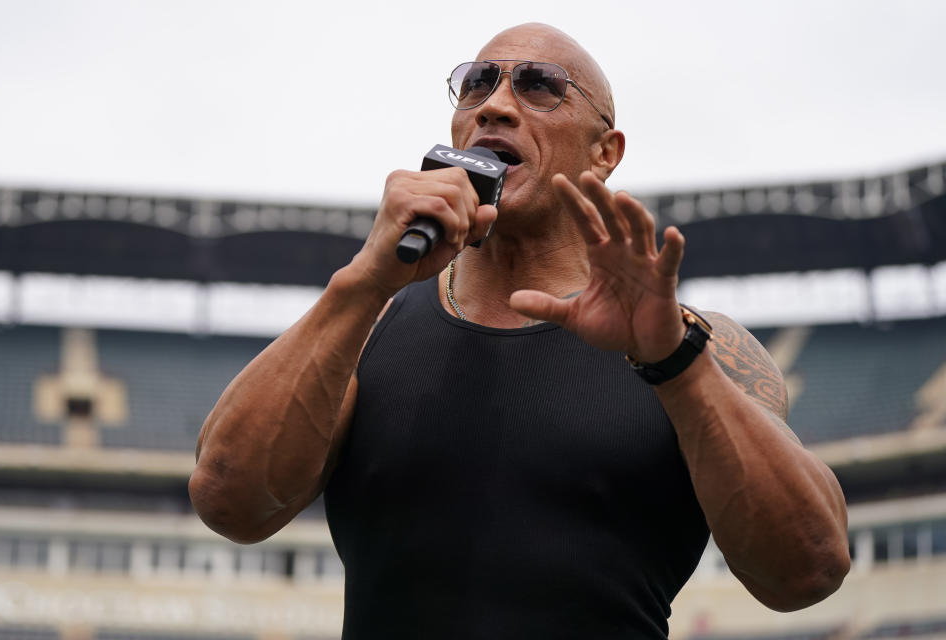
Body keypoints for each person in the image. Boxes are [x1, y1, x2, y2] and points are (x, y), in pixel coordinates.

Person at [189, 23, 850, 639]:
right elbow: (231, 503)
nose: (495, 105)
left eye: (539, 86)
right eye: (478, 83)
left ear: (604, 153)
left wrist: (676, 362)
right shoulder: (368, 324)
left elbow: (806, 571)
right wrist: (364, 280)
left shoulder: (699, 346)